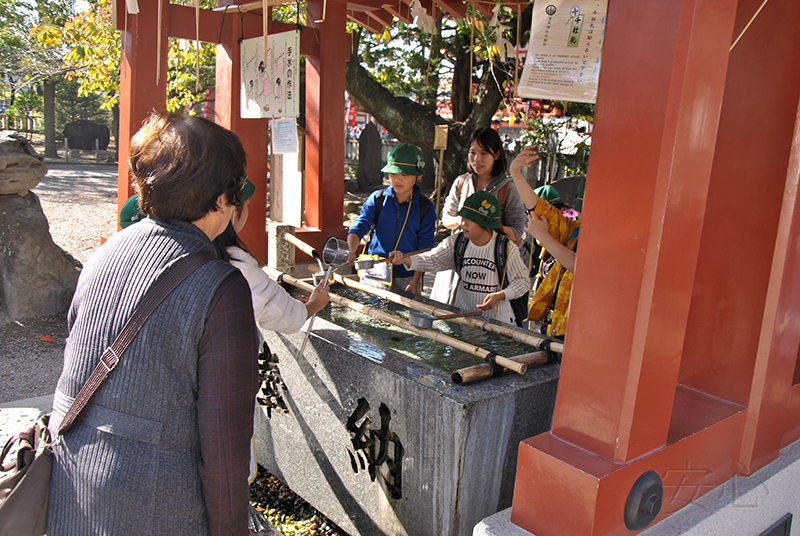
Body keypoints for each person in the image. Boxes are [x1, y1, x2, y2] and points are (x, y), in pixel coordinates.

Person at [48, 112, 261, 536]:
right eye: (235, 190)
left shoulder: (105, 252)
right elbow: (223, 449)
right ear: (221, 198)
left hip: (72, 483)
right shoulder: (221, 288)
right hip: (157, 506)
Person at [387, 191, 529, 325]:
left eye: (470, 219)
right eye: (463, 217)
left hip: (498, 322)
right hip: (464, 318)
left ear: (486, 223)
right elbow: (433, 259)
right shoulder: (457, 242)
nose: (463, 223)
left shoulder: (505, 248)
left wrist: (501, 295)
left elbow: (522, 282)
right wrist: (405, 259)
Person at [213, 178, 330, 334]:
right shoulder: (239, 266)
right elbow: (288, 316)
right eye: (247, 205)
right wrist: (315, 303)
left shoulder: (191, 249)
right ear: (230, 209)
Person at [430, 127, 527, 304]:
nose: (477, 159)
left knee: (481, 313)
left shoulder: (508, 188)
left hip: (489, 266)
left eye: (484, 153)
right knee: (449, 308)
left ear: (496, 155)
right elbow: (447, 218)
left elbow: (519, 231)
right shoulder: (461, 182)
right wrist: (462, 220)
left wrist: (493, 226)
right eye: (473, 152)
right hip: (458, 257)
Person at [510, 146, 583, 339]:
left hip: (577, 333)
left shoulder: (610, 242)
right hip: (553, 327)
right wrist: (515, 173)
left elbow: (579, 265)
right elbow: (540, 209)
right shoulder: (574, 230)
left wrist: (545, 236)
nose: (583, 215)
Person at [346, 143, 437, 294]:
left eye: (405, 174)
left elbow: (425, 249)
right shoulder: (377, 199)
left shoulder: (425, 207)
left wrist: (415, 282)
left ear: (418, 175)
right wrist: (351, 249)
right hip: (374, 271)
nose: (397, 180)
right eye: (393, 174)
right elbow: (360, 225)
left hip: (407, 276)